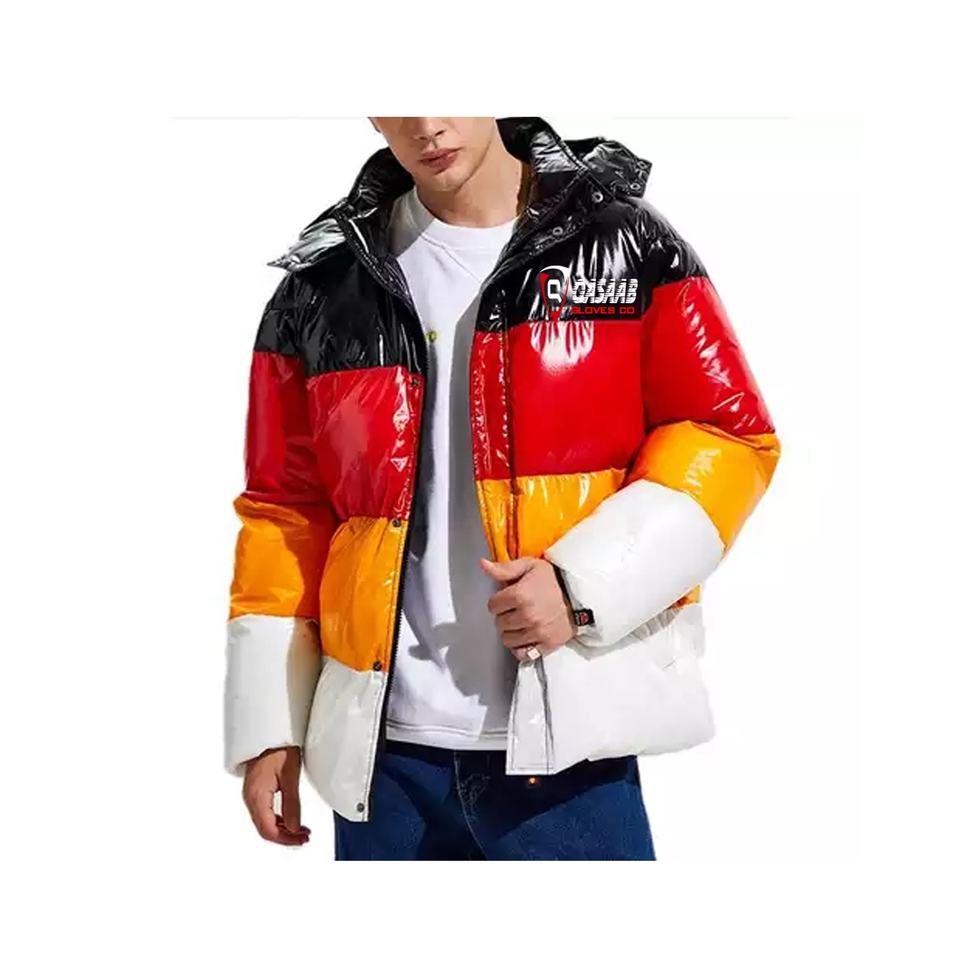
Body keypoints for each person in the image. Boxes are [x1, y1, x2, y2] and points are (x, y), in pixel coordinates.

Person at [222, 116, 781, 860]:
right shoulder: (324, 283)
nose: (427, 124)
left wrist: (581, 586)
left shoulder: (624, 244)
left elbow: (727, 435)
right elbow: (286, 507)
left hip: (565, 747)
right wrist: (271, 724)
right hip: (382, 760)